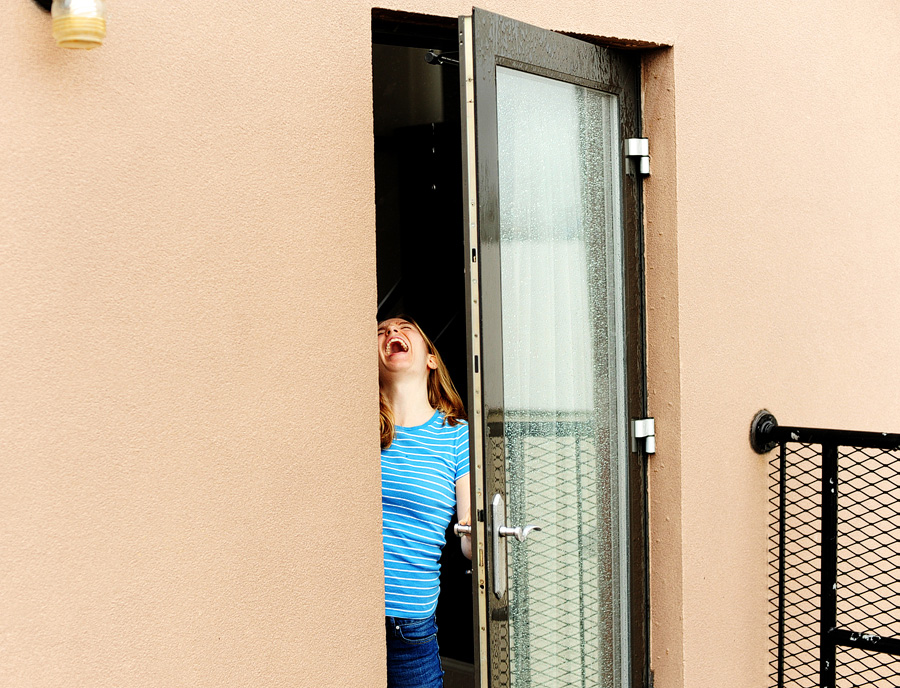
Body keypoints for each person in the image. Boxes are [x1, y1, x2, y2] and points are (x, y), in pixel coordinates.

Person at [378, 316, 472, 688]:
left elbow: (469, 528)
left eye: (404, 328)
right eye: (381, 331)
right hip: (345, 614)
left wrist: (477, 538)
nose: (392, 334)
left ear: (431, 358)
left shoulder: (455, 435)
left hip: (410, 627)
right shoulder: (353, 425)